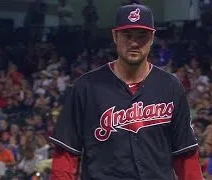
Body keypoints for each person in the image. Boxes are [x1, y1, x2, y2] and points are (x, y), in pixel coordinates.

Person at [49, 2, 203, 180]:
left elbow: (185, 155)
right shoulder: (86, 87)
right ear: (115, 36)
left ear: (152, 37)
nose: (134, 43)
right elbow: (66, 156)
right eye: (127, 35)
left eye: (142, 35)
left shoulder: (170, 87)